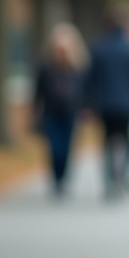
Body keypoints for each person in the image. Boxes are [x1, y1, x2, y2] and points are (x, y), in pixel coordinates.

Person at [84, 3, 129, 200]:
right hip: (127, 103)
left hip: (104, 104)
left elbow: (90, 78)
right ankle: (125, 177)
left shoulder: (98, 48)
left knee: (106, 141)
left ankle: (108, 181)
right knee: (127, 140)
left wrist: (88, 101)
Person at [33, 23, 86, 199]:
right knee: (55, 148)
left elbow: (84, 90)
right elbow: (38, 91)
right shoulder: (46, 67)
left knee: (68, 148)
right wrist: (34, 111)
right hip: (51, 112)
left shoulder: (78, 68)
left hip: (71, 113)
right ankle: (56, 179)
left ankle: (64, 179)